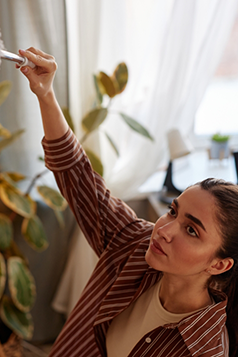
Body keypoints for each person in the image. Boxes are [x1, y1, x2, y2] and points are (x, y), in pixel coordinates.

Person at [17, 48, 238, 357]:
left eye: (191, 231)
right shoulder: (134, 244)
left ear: (219, 264)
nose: (164, 229)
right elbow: (78, 176)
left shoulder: (205, 350)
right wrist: (45, 93)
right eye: (173, 212)